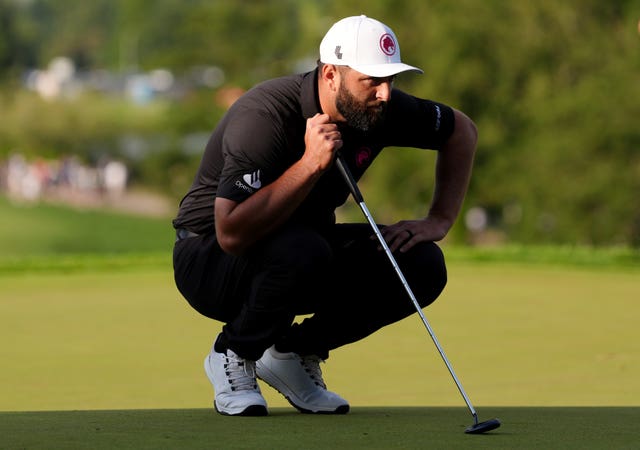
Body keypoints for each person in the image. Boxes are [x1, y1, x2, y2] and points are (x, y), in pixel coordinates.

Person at [172, 14, 477, 416]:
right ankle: (233, 353)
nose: (385, 93)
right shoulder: (265, 115)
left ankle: (293, 354)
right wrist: (309, 164)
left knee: (421, 263)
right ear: (331, 74)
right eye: (372, 80)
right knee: (304, 247)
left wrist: (439, 220)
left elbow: (461, 131)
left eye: (391, 80)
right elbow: (230, 232)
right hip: (210, 261)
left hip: (302, 253)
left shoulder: (378, 107)